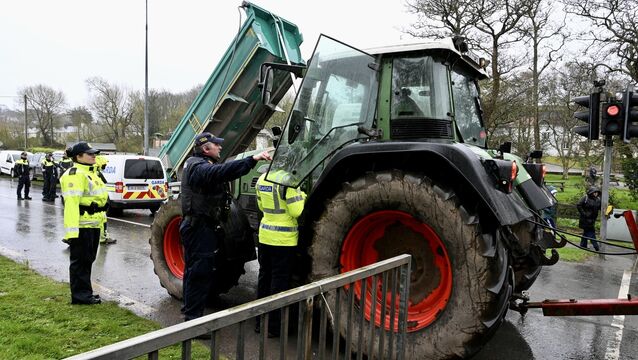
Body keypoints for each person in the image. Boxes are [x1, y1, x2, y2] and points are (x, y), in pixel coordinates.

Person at [180, 132, 272, 322]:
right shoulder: (198, 167)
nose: (220, 147)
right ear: (206, 149)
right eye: (217, 145)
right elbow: (220, 173)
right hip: (199, 229)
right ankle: (192, 321)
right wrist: (252, 160)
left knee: (193, 270)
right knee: (199, 272)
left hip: (200, 226)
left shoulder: (198, 163)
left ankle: (188, 309)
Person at [254, 169, 306, 337]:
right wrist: (303, 196)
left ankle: (259, 323)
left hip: (265, 236)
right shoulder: (288, 180)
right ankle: (273, 327)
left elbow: (261, 206)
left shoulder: (262, 178)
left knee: (264, 279)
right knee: (279, 282)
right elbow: (296, 211)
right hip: (284, 240)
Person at [59, 142, 108, 305]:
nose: (94, 156)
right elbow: (71, 205)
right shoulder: (75, 175)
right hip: (82, 226)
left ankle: (85, 293)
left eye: (94, 153)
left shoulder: (90, 171)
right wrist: (72, 233)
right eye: (90, 154)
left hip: (93, 225)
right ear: (78, 157)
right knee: (80, 263)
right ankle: (80, 296)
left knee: (88, 261)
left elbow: (100, 160)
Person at [95, 154, 116, 245]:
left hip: (100, 203)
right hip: (96, 204)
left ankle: (104, 238)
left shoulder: (97, 173)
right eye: (104, 164)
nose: (105, 166)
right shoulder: (95, 173)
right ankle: (103, 238)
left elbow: (104, 182)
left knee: (102, 221)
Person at [577, 186, 601, 251]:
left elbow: (600, 207)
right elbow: (578, 205)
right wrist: (584, 214)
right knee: (591, 233)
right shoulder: (585, 198)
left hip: (592, 219)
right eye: (594, 192)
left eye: (597, 192)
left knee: (586, 232)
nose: (596, 193)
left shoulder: (598, 199)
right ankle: (596, 247)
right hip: (585, 220)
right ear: (591, 192)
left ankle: (583, 245)